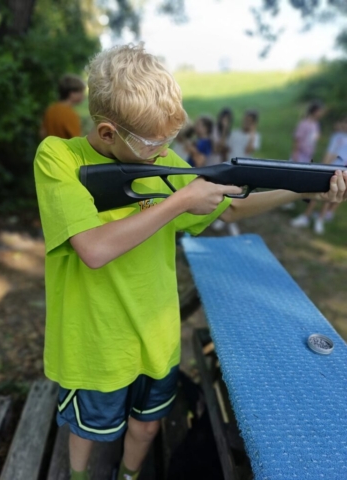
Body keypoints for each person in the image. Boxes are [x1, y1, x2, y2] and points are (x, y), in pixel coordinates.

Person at [33, 44, 347, 480]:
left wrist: (304, 187)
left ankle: (128, 476)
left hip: (157, 335)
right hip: (95, 343)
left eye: (170, 141)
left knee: (147, 425)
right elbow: (93, 249)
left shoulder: (159, 160)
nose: (165, 153)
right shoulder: (58, 158)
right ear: (107, 133)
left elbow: (231, 209)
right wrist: (179, 201)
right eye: (154, 143)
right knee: (89, 431)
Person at [291, 117, 347, 234]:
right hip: (331, 169)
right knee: (316, 195)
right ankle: (307, 217)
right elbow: (330, 153)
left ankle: (319, 219)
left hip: (339, 172)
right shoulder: (338, 137)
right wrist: (324, 168)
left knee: (328, 197)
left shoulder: (341, 138)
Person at [40, 74, 86, 140]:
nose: (83, 96)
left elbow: (42, 133)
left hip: (50, 149)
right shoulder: (70, 114)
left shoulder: (50, 109)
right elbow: (76, 141)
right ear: (72, 94)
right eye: (81, 92)